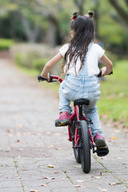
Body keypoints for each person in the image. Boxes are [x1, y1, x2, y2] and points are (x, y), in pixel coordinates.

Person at [40, 11, 113, 155]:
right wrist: (104, 72)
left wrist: (45, 76)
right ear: (91, 32)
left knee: (62, 86)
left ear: (73, 31)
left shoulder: (68, 47)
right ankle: (98, 135)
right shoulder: (96, 48)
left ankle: (65, 112)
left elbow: (48, 65)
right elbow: (110, 65)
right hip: (92, 89)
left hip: (72, 88)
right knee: (91, 110)